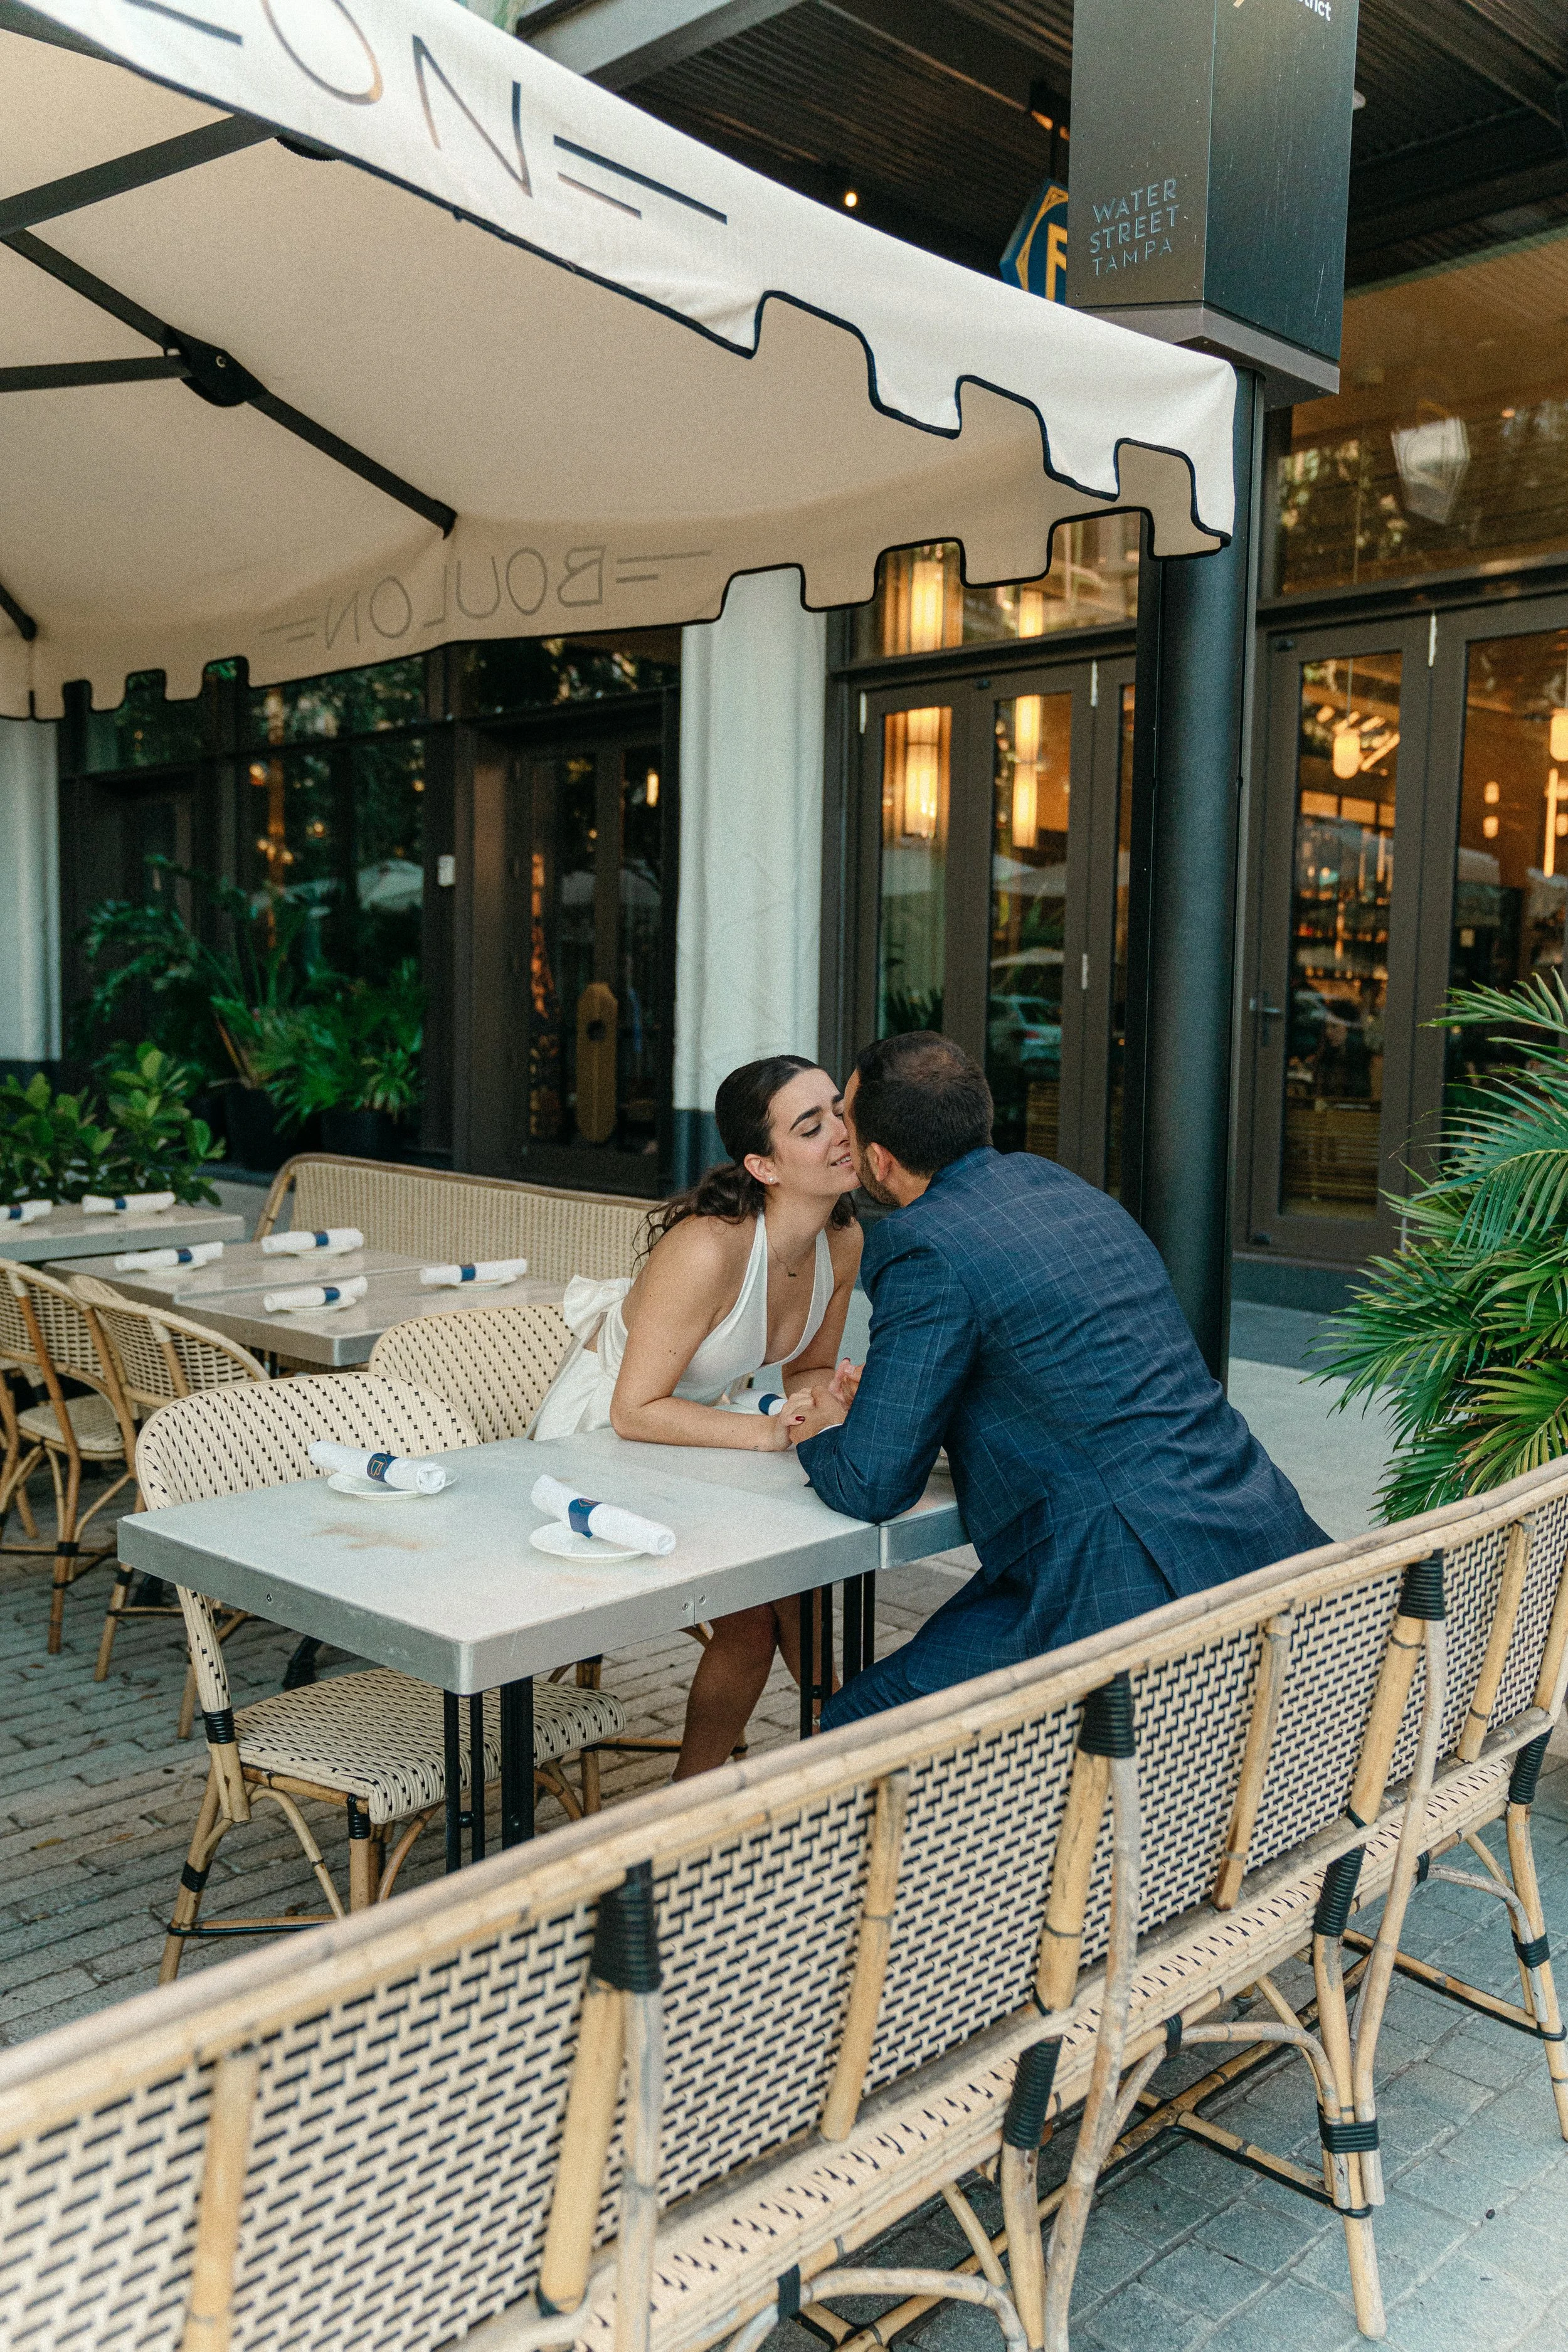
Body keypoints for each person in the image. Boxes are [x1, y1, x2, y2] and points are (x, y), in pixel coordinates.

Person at [788, 1032, 1327, 1731]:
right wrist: (900, 1404)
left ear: (880, 1162)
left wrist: (828, 1431)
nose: (839, 1138)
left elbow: (873, 1484)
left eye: (848, 1125)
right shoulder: (1062, 1189)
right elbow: (1061, 1374)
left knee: (854, 1726)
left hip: (1120, 1593)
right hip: (1259, 1533)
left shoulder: (923, 1245)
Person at [532, 1053, 863, 1773]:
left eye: (839, 1109)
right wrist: (771, 1430)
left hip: (696, 1430)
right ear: (764, 1165)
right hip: (597, 1439)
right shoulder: (708, 1249)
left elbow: (805, 1367)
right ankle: (825, 1744)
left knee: (786, 1589)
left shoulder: (842, 1238)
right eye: (811, 1126)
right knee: (756, 1607)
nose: (841, 1131)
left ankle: (825, 1746)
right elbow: (633, 1410)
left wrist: (828, 1399)